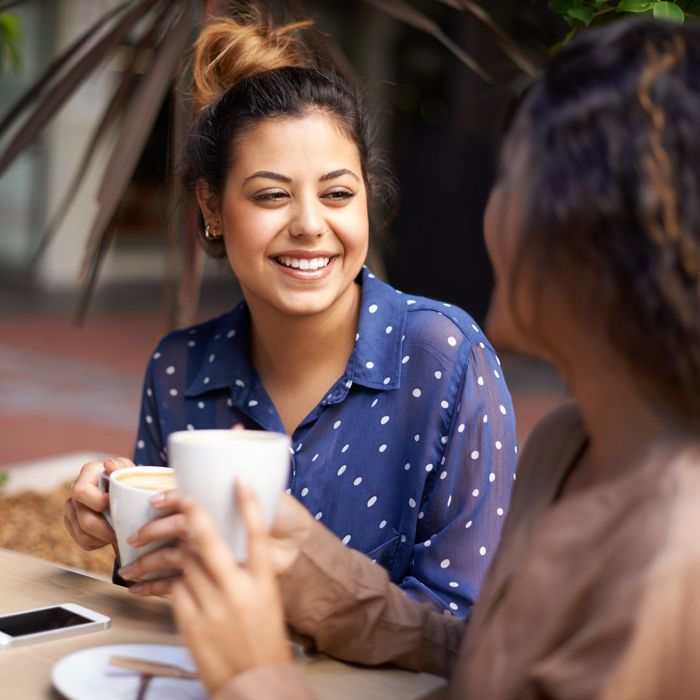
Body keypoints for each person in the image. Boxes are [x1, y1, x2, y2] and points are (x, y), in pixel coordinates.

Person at [166, 17, 700, 700]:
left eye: (510, 180)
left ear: (589, 226)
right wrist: (331, 587)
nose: (487, 211)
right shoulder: (564, 449)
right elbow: (481, 660)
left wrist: (256, 676)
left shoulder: (677, 559)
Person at [62, 11, 516, 616]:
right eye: (272, 194)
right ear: (211, 207)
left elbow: (470, 622)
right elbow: (166, 587)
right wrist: (117, 525)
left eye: (337, 194)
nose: (309, 225)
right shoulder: (180, 369)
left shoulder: (443, 358)